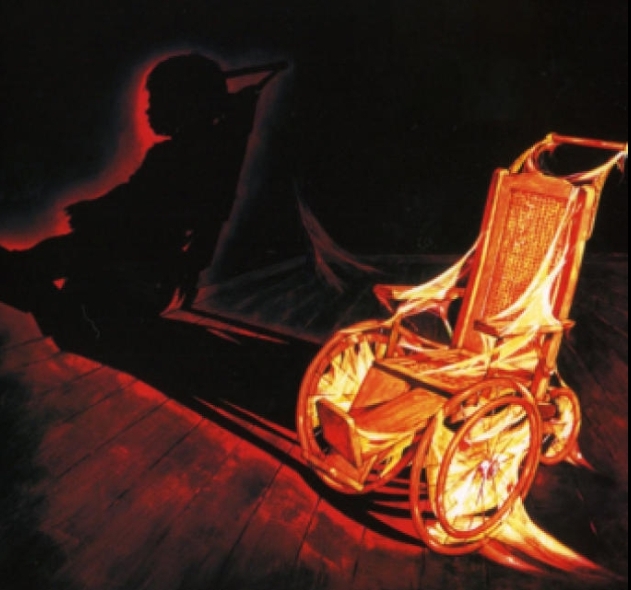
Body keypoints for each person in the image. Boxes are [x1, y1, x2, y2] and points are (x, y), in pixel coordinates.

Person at [1, 53, 268, 323]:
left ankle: (37, 291)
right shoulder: (203, 151)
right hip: (137, 265)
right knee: (39, 263)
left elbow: (139, 204)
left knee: (36, 265)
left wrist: (96, 212)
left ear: (182, 104)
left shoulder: (177, 157)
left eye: (155, 101)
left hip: (129, 264)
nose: (148, 110)